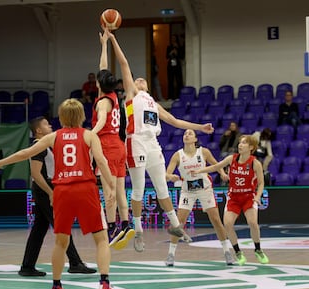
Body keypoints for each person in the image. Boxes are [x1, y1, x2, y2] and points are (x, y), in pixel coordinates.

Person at [0, 99, 119, 289]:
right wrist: (111, 186)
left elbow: (25, 153)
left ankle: (56, 287)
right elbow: (101, 161)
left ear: (61, 117)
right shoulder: (89, 135)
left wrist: (0, 163)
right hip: (85, 188)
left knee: (60, 241)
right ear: (81, 116)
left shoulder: (54, 136)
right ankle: (105, 284)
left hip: (62, 190)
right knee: (101, 239)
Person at [107, 29, 214, 253]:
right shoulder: (132, 95)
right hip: (135, 142)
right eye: (137, 79)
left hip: (153, 144)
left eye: (142, 79)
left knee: (162, 188)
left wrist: (200, 128)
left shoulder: (154, 103)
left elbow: (175, 121)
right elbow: (124, 64)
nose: (140, 79)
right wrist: (113, 39)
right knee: (138, 190)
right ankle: (137, 231)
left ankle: (175, 225)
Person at [18, 116, 97, 276]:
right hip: (45, 189)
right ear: (38, 130)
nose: (50, 126)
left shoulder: (46, 145)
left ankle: (27, 266)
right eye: (46, 124)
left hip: (47, 189)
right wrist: (50, 192)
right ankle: (75, 263)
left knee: (39, 229)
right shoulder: (38, 146)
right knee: (62, 225)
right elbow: (35, 173)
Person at [191, 135, 269, 266]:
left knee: (253, 223)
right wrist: (200, 171)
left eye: (244, 143)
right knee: (227, 224)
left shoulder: (255, 163)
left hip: (249, 196)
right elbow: (215, 167)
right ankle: (238, 252)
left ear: (251, 147)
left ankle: (258, 250)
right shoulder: (231, 159)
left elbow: (261, 183)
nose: (240, 145)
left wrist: (258, 196)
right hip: (234, 197)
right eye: (240, 142)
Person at [91, 29, 135, 250]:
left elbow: (100, 122)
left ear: (99, 84)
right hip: (119, 146)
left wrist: (90, 134)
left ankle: (111, 228)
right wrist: (104, 44)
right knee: (119, 190)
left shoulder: (102, 103)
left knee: (108, 192)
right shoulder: (113, 96)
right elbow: (103, 68)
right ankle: (126, 224)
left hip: (107, 145)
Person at [165, 129, 235, 266]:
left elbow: (216, 164)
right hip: (187, 191)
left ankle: (227, 251)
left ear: (195, 139)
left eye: (190, 133)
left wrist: (222, 173)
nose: (186, 135)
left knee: (215, 220)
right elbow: (167, 174)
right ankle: (170, 255)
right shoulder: (177, 155)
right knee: (179, 222)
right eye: (185, 133)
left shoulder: (203, 152)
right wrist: (171, 177)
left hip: (205, 189)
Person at [166, 34, 184, 100]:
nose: (173, 40)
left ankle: (178, 96)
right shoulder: (169, 47)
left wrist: (177, 51)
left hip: (177, 65)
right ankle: (171, 96)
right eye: (172, 38)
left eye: (174, 38)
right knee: (170, 81)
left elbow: (182, 56)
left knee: (178, 80)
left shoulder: (179, 46)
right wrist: (171, 52)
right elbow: (166, 57)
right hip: (170, 65)